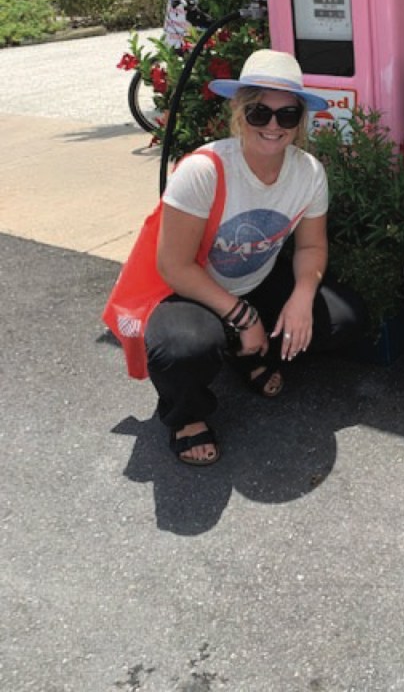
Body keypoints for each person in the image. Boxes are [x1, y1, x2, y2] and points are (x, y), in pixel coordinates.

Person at [145, 48, 365, 465]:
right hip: (192, 290)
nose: (273, 125)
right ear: (239, 112)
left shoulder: (309, 172)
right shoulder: (204, 170)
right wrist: (244, 317)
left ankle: (246, 355)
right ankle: (187, 415)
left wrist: (302, 296)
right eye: (259, 112)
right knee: (182, 350)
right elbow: (174, 266)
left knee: (343, 320)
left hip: (256, 279)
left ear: (300, 120)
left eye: (287, 115)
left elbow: (312, 246)